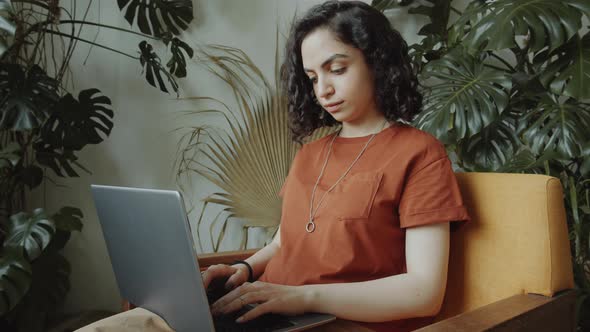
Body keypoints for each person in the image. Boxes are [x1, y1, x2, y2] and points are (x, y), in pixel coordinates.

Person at [201, 1, 470, 332]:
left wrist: (303, 298)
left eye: (337, 69)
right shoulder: (310, 153)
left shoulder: (420, 153)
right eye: (313, 77)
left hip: (339, 322)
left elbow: (423, 293)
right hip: (270, 311)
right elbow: (283, 244)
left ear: (377, 63)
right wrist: (243, 268)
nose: (323, 90)